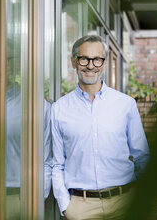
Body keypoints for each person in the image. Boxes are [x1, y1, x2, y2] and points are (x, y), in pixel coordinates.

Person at [51, 35, 149, 219]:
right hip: (81, 207)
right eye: (84, 59)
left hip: (124, 201)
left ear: (104, 64)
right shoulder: (59, 109)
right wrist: (66, 206)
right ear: (74, 62)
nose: (90, 66)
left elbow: (142, 156)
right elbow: (57, 164)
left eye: (97, 59)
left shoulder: (125, 104)